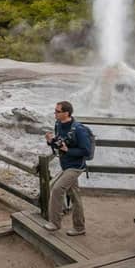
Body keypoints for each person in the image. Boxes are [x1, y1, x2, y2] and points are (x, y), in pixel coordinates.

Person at [43, 100, 90, 236]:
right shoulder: (58, 124)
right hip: (65, 165)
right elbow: (59, 143)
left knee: (57, 189)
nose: (55, 113)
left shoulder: (79, 129)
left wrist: (68, 150)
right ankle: (80, 227)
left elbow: (86, 151)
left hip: (76, 166)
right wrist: (50, 141)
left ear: (66, 113)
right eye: (55, 110)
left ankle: (55, 223)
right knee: (75, 197)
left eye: (57, 111)